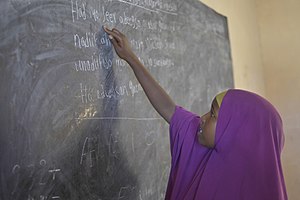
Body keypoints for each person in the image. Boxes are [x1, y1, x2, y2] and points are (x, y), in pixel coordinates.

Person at [103, 27, 288, 200]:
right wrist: (130, 58)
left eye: (213, 115)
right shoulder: (202, 148)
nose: (203, 118)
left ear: (236, 135)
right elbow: (168, 108)